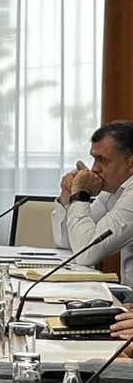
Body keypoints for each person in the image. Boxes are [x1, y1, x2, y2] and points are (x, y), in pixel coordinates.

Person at [54, 121, 133, 289]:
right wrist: (68, 195)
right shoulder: (113, 189)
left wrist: (81, 195)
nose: (94, 169)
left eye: (102, 160)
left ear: (131, 163)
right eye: (94, 159)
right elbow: (66, 242)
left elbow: (86, 253)